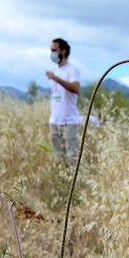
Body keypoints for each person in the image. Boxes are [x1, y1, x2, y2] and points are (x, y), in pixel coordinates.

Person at [45, 38, 82, 166]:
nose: (52, 53)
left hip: (69, 122)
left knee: (73, 159)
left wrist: (55, 78)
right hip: (55, 122)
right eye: (51, 50)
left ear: (63, 51)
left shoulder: (71, 70)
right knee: (59, 160)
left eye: (54, 50)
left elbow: (75, 88)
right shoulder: (57, 71)